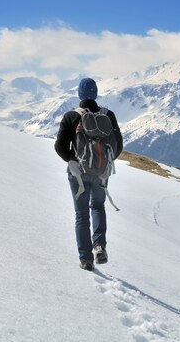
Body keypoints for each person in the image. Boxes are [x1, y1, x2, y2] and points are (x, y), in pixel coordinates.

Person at [54, 77, 123, 271]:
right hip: (102, 172)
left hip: (78, 174)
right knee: (98, 207)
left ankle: (86, 259)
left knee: (81, 214)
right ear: (96, 93)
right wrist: (105, 163)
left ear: (79, 95)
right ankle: (99, 245)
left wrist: (72, 159)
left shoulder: (71, 116)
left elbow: (59, 146)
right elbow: (118, 145)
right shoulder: (108, 115)